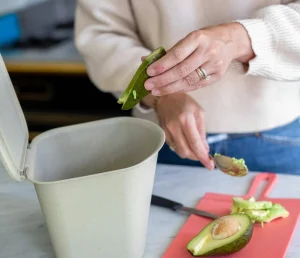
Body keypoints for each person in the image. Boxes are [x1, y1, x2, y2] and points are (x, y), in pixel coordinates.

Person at [74, 0, 300, 175]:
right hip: (160, 137)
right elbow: (100, 33)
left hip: (278, 135)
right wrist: (160, 94)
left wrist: (239, 39)